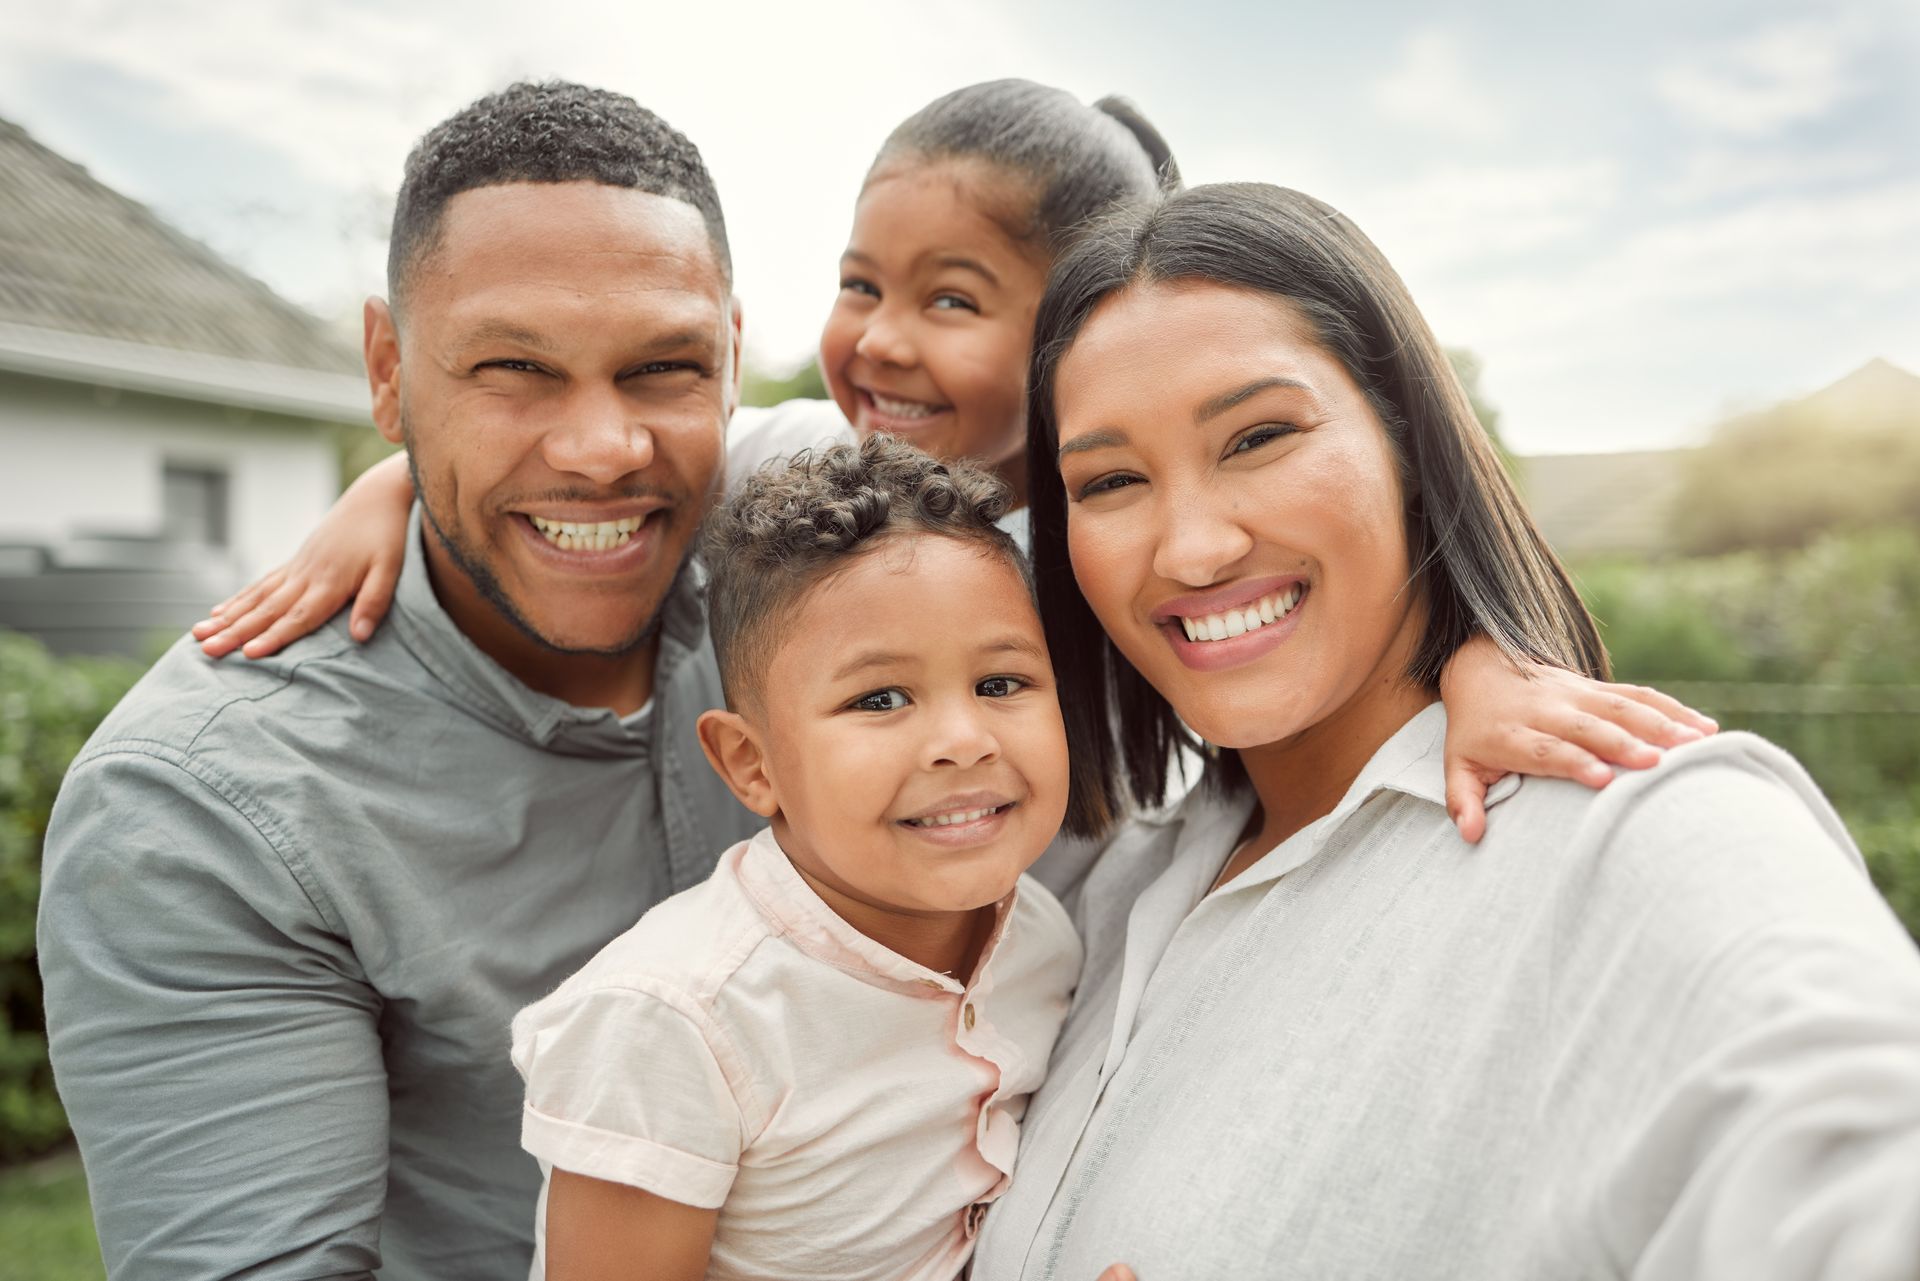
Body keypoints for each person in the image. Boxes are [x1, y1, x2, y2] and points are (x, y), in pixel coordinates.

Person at [186, 80, 1715, 837]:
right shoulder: (802, 471)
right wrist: (390, 483)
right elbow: (587, 464)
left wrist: (1483, 661)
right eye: (860, 285)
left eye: (952, 301)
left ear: (1078, 331)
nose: (881, 342)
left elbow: (1348, 601)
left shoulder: (1145, 560)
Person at [970, 183, 1920, 1280]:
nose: (1191, 548)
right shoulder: (1104, 892)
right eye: (1112, 480)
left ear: (1411, 445)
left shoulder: (1641, 828)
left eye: (1259, 436)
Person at [37, 82, 761, 1280]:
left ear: (734, 359)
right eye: (514, 366)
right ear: (388, 371)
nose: (601, 448)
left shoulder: (817, 595)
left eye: (662, 367)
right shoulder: (203, 808)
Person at [513, 434, 1079, 1281]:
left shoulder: (1041, 933)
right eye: (879, 698)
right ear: (753, 764)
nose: (963, 742)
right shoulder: (671, 1024)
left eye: (1001, 683)